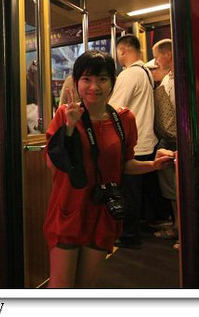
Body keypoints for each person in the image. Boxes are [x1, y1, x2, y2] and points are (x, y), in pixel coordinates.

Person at [43, 51, 174, 287]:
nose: (94, 86)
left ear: (113, 81)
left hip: (103, 211)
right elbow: (52, 163)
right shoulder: (65, 115)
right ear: (77, 82)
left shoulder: (124, 119)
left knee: (86, 287)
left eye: (102, 79)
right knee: (61, 290)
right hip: (69, 210)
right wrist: (70, 128)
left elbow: (125, 165)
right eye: (87, 79)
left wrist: (153, 164)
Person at [108, 34, 166, 249]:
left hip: (134, 142)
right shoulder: (146, 73)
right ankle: (140, 226)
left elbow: (114, 108)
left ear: (122, 50)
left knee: (129, 192)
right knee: (138, 192)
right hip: (147, 139)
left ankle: (129, 235)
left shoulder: (130, 74)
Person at [151, 39, 179, 248]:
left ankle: (181, 231)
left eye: (157, 56)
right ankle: (178, 226)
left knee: (177, 189)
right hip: (170, 141)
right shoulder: (168, 79)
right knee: (171, 189)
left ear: (168, 54)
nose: (156, 62)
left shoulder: (177, 80)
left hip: (175, 141)